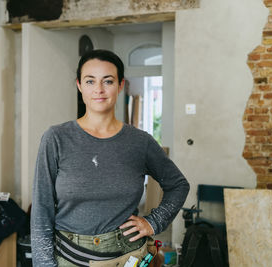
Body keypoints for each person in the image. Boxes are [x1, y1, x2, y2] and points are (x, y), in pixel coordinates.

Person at [31, 49, 189, 267]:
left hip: (127, 257)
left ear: (120, 85)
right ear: (79, 85)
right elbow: (42, 209)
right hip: (69, 257)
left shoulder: (140, 142)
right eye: (90, 81)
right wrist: (44, 264)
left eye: (108, 81)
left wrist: (154, 222)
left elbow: (178, 185)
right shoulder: (56, 138)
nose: (98, 89)